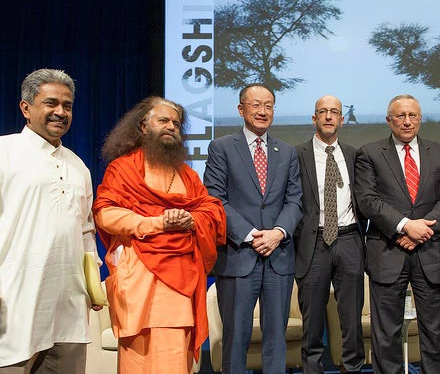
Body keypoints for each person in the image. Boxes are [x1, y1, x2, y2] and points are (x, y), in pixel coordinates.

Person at [92, 96, 226, 374]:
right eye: (163, 120)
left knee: (175, 355)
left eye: (176, 123)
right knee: (136, 358)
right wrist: (157, 223)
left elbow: (211, 211)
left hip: (179, 280)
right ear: (143, 126)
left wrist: (191, 219)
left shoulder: (188, 175)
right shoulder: (123, 169)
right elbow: (105, 214)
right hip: (138, 278)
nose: (171, 127)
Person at [0, 68, 103, 373]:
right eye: (51, 103)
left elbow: (86, 230)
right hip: (14, 300)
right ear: (26, 107)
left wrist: (91, 285)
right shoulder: (5, 152)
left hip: (69, 306)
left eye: (67, 106)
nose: (60, 112)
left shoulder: (78, 166)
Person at [203, 84, 302, 373]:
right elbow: (215, 198)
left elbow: (295, 200)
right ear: (241, 109)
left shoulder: (286, 151)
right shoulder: (221, 147)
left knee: (276, 339)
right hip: (238, 257)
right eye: (256, 105)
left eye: (268, 105)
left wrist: (278, 232)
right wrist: (250, 235)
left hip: (278, 258)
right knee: (235, 339)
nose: (262, 111)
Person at [354, 94, 440, 373]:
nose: (407, 121)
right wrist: (405, 225)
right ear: (389, 120)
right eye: (400, 116)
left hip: (431, 252)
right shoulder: (370, 153)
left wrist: (422, 230)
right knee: (386, 334)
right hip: (387, 251)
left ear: (420, 118)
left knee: (435, 333)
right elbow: (367, 200)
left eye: (413, 115)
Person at [294, 95, 365, 373]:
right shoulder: (296, 155)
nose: (328, 116)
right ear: (314, 118)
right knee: (312, 324)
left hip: (349, 241)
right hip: (313, 244)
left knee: (351, 321)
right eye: (322, 111)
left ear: (341, 119)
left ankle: (352, 369)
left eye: (333, 112)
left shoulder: (354, 154)